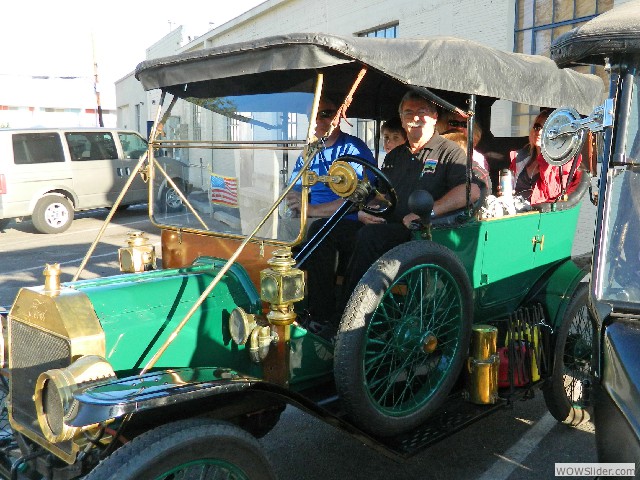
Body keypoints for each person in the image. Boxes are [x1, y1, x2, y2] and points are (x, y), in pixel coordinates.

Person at [338, 91, 482, 323]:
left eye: (421, 112)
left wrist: (429, 211)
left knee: (369, 237)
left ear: (434, 117)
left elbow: (471, 191)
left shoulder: (450, 152)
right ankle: (317, 311)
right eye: (408, 113)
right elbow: (383, 196)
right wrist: (368, 209)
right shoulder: (395, 155)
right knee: (327, 231)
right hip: (388, 224)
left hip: (422, 233)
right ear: (402, 119)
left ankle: (348, 320)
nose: (415, 118)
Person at [285, 96, 380, 337]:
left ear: (340, 117)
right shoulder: (309, 151)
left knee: (319, 233)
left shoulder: (354, 149)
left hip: (346, 223)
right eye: (316, 115)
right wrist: (298, 204)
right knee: (269, 240)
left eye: (327, 113)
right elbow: (293, 191)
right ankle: (277, 305)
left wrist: (311, 211)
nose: (321, 120)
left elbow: (356, 199)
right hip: (307, 220)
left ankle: (322, 316)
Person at [510, 110, 582, 205]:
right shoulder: (519, 157)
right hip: (515, 208)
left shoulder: (564, 162)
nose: (539, 132)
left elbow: (553, 193)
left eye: (546, 129)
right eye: (537, 127)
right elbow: (509, 187)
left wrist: (545, 160)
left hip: (541, 214)